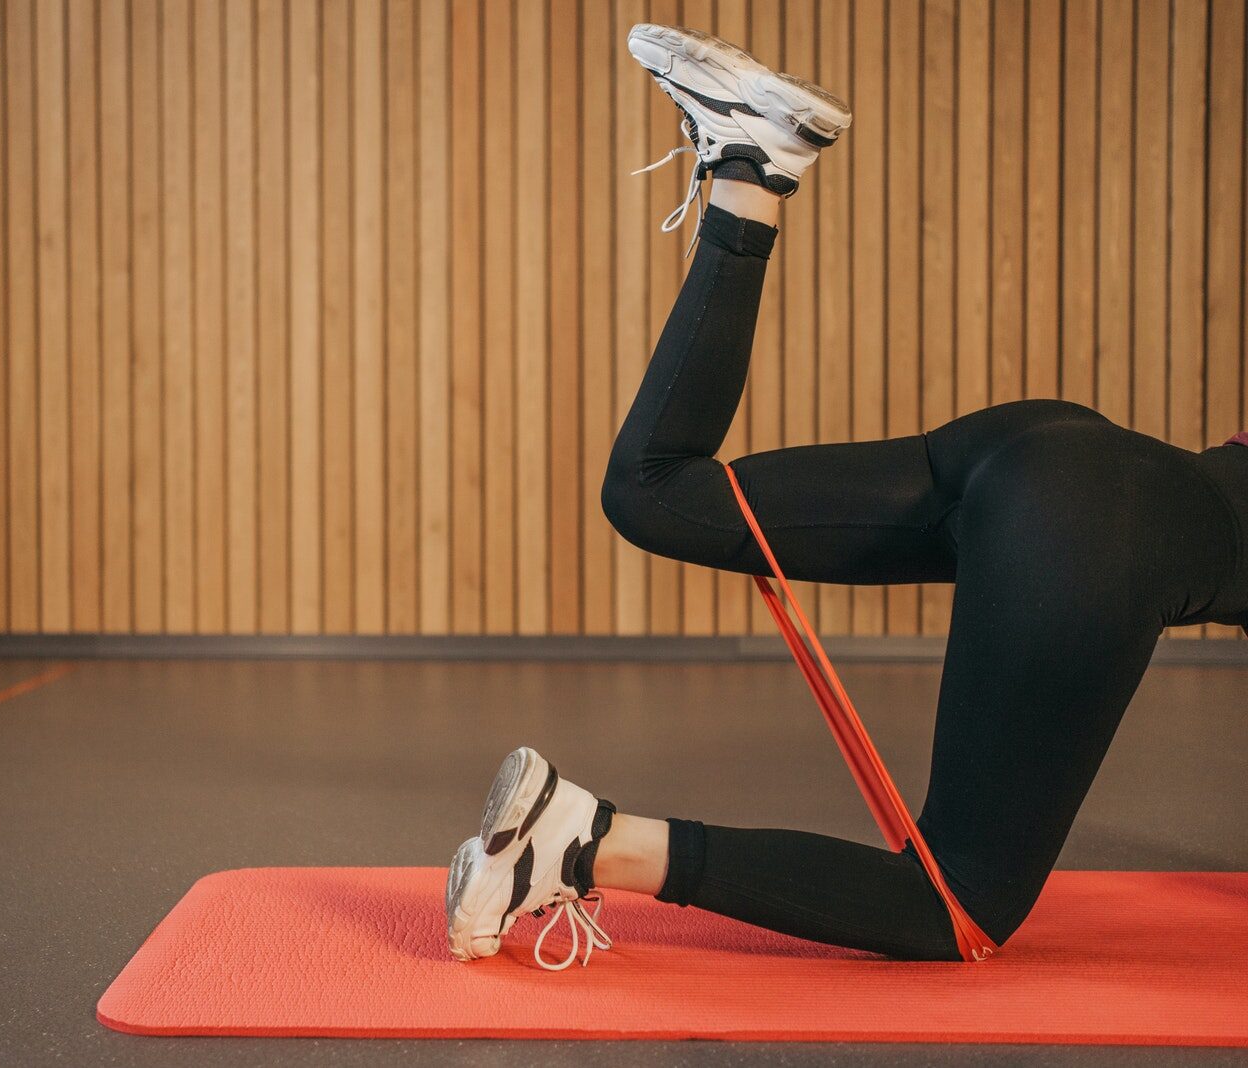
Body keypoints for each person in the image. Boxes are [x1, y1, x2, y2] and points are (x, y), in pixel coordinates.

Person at [445, 23, 1248, 970]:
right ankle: (579, 840)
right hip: (1091, 532)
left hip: (1048, 448)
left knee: (656, 492)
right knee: (955, 907)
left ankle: (752, 166)